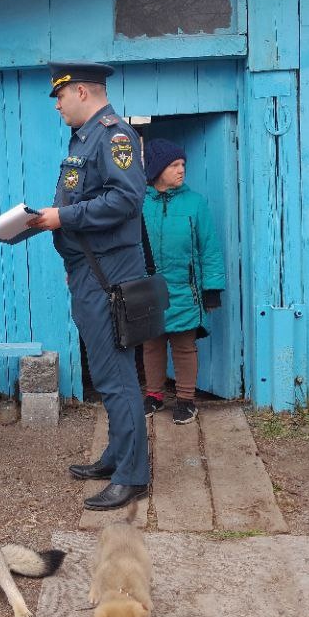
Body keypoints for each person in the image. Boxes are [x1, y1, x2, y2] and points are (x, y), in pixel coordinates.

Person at [27, 62, 149, 511]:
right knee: (106, 371)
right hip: (90, 271)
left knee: (117, 376)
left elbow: (126, 198)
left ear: (81, 92)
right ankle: (118, 455)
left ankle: (132, 475)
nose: (57, 106)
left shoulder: (114, 136)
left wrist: (63, 218)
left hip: (108, 275)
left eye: (60, 97)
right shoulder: (84, 138)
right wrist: (73, 257)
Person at [139, 138, 226, 425]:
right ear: (156, 169)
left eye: (182, 164)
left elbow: (209, 247)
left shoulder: (195, 203)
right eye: (174, 165)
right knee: (152, 345)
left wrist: (212, 288)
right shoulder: (139, 203)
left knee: (184, 346)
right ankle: (154, 395)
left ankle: (186, 400)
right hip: (149, 288)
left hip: (185, 290)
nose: (181, 170)